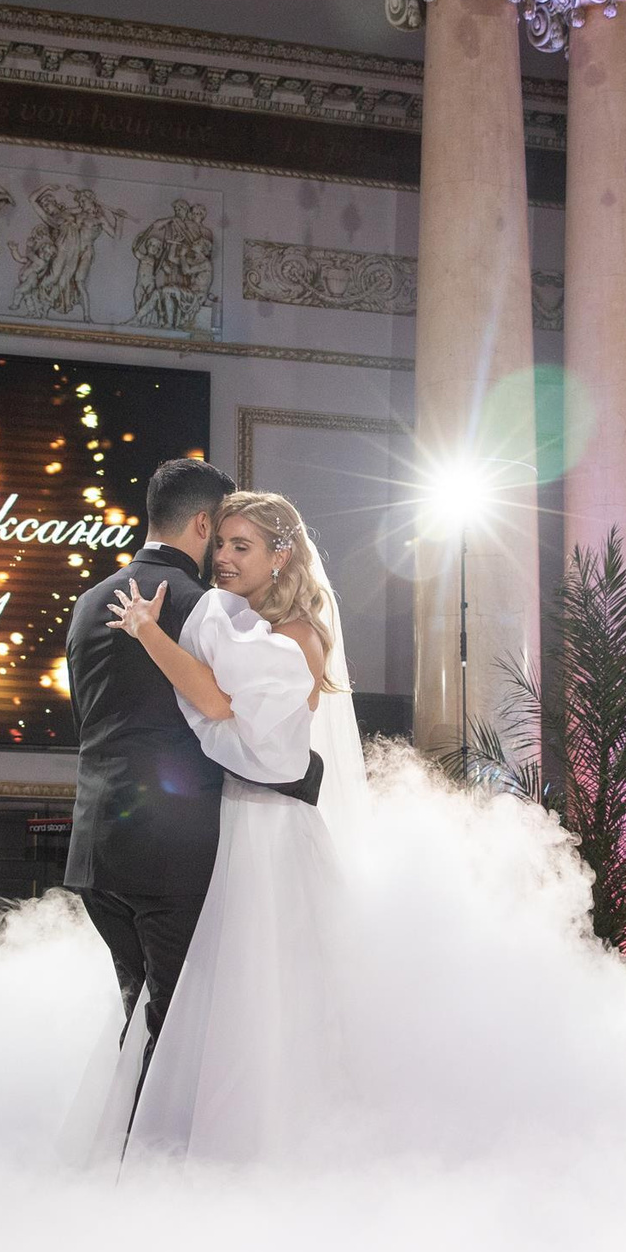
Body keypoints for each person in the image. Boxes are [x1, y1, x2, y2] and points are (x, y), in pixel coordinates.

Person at [76, 489, 362, 1161]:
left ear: (281, 556)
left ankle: (250, 1153)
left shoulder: (295, 636)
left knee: (260, 994)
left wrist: (150, 632)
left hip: (266, 833)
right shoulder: (245, 626)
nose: (226, 559)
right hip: (229, 824)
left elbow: (215, 699)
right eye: (223, 543)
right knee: (213, 1002)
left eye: (244, 547)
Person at [62, 457, 237, 1062]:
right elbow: (229, 717)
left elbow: (90, 715)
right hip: (174, 849)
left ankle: (123, 1149)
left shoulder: (87, 604)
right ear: (203, 524)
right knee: (177, 1034)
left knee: (139, 1022)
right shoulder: (206, 606)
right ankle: (154, 1157)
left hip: (96, 845)